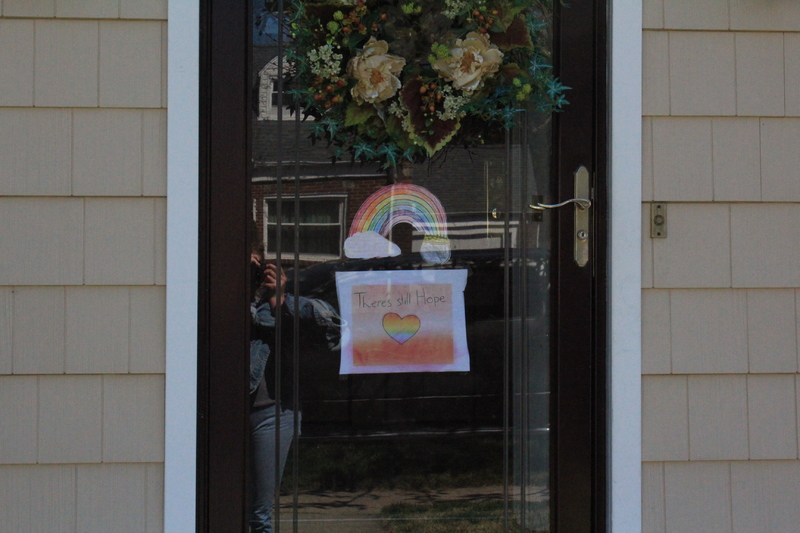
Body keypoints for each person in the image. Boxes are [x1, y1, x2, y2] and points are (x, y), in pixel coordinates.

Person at [248, 246, 341, 533]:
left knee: (259, 512)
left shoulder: (274, 306)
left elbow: (331, 328)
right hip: (222, 417)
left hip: (271, 415)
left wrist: (279, 297)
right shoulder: (212, 303)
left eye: (252, 267)